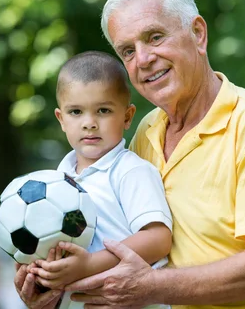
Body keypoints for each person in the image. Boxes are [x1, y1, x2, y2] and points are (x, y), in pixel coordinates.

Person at [15, 0, 245, 308]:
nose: (143, 59)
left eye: (154, 37)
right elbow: (122, 249)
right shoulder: (147, 132)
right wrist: (56, 287)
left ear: (198, 34)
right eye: (127, 50)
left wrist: (151, 287)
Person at [25, 51, 173, 309]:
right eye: (76, 112)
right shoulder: (54, 184)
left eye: (103, 110)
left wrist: (91, 265)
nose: (89, 123)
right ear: (61, 119)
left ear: (127, 117)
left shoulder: (130, 171)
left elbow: (158, 238)